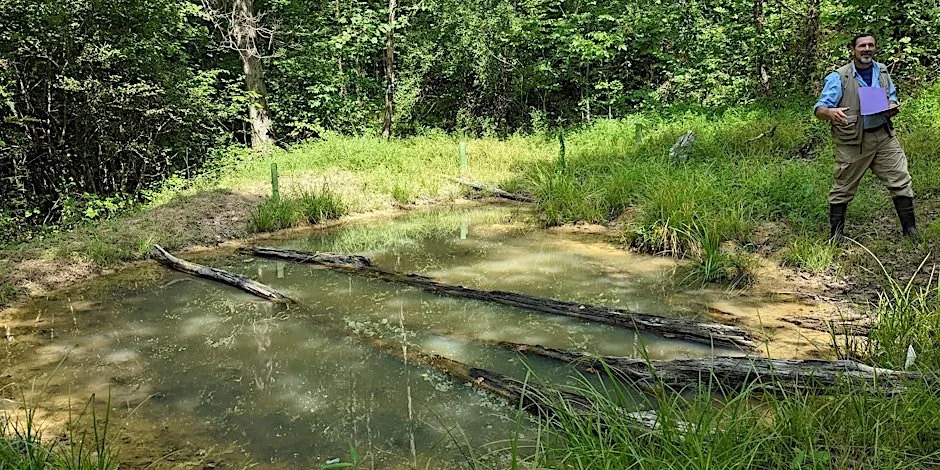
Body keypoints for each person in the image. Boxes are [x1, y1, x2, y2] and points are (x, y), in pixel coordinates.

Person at [813, 33, 919, 241]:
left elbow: (891, 95)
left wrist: (891, 105)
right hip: (853, 141)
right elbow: (819, 108)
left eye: (871, 45)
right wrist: (830, 113)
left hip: (884, 136)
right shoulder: (839, 77)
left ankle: (910, 230)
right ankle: (836, 236)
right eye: (862, 46)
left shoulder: (882, 71)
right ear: (853, 50)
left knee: (900, 180)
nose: (867, 49)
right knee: (843, 188)